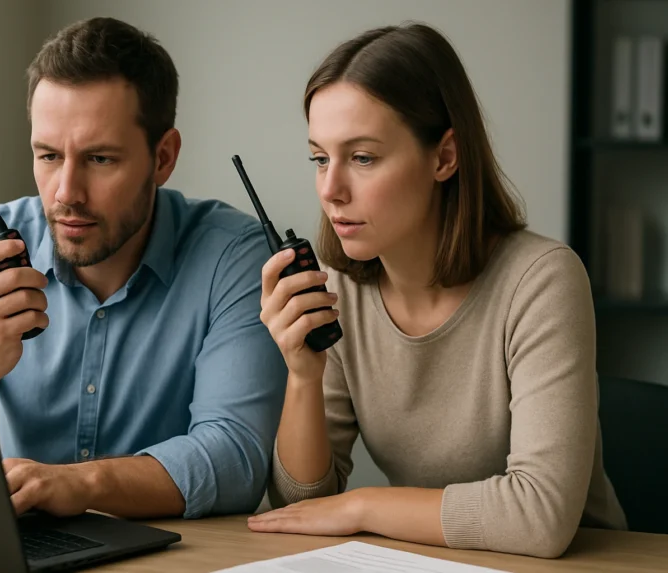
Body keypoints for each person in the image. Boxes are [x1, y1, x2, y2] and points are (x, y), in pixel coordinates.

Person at [246, 22, 627, 558]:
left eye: (362, 158)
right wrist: (304, 375)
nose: (330, 190)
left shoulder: (541, 280)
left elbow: (540, 518)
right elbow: (301, 505)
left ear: (444, 157)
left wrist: (363, 506)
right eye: (320, 158)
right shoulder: (339, 292)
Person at [0, 17, 288, 520]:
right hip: (22, 545)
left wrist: (80, 484)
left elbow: (236, 459)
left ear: (163, 157)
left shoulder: (233, 259)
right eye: (48, 156)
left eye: (100, 159)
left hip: (180, 552)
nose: (66, 192)